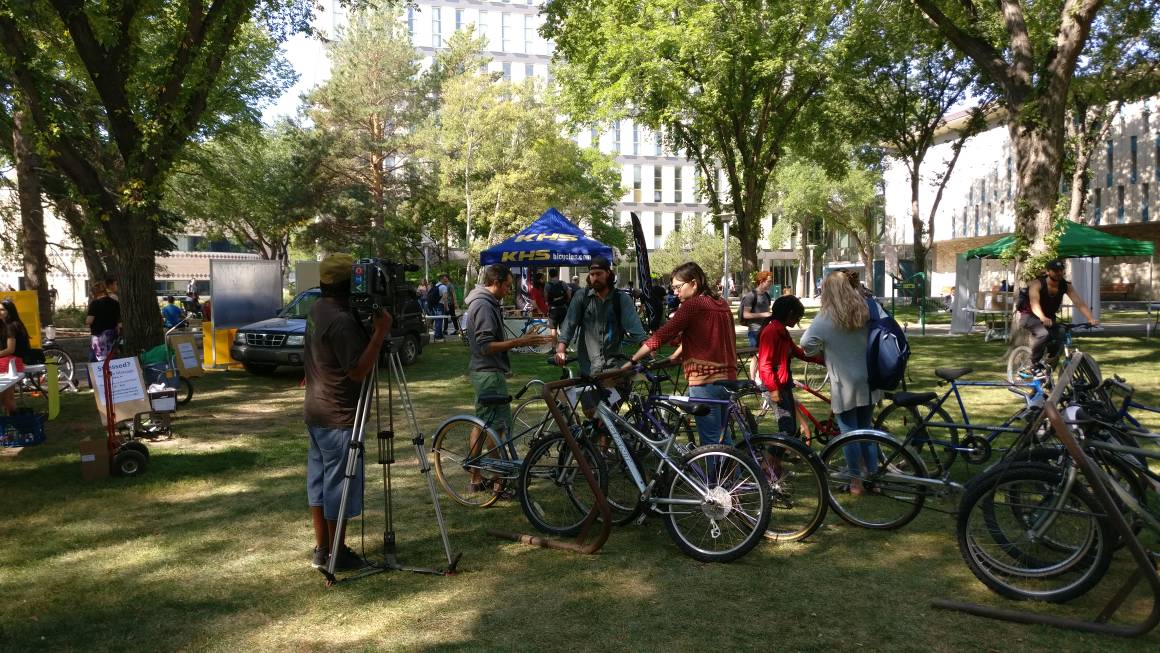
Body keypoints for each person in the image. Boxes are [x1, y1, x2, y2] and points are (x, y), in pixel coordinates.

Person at [305, 254, 392, 572]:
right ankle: (336, 553)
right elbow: (356, 370)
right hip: (339, 416)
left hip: (316, 411)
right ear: (349, 284)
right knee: (337, 487)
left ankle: (322, 549)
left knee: (319, 484)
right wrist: (380, 332)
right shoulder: (341, 320)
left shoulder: (318, 309)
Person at [463, 264, 554, 496]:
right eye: (507, 286)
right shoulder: (483, 305)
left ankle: (476, 478)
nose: (507, 291)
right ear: (497, 282)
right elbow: (486, 346)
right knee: (497, 428)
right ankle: (498, 482)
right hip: (487, 373)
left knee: (482, 425)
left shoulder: (483, 302)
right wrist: (520, 342)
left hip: (486, 371)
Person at [626, 261, 736, 446]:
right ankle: (738, 475)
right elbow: (702, 336)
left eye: (678, 287)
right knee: (724, 440)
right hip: (728, 378)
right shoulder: (721, 303)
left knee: (710, 442)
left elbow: (662, 334)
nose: (675, 292)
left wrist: (633, 359)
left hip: (705, 380)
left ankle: (712, 476)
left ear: (693, 283)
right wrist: (676, 355)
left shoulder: (693, 306)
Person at [800, 271, 877, 495]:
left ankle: (855, 481)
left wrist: (823, 349)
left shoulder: (827, 317)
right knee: (866, 430)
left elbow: (807, 343)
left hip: (844, 382)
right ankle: (874, 477)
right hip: (869, 378)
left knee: (848, 433)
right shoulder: (865, 309)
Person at [554, 256, 646, 390]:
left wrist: (646, 345)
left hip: (613, 367)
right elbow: (569, 323)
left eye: (599, 274)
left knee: (611, 408)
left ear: (608, 274)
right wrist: (561, 349)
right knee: (590, 410)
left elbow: (634, 325)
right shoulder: (581, 296)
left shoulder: (621, 299)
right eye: (592, 274)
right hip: (588, 366)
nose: (595, 277)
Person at [1017, 259, 1099, 372]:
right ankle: (1033, 364)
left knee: (1060, 338)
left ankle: (1047, 370)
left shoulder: (1066, 286)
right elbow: (1034, 303)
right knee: (1043, 334)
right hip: (1030, 316)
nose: (1059, 273)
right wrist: (1042, 317)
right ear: (1048, 272)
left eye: (1061, 270)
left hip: (1048, 318)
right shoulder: (1037, 284)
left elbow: (1079, 303)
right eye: (1055, 270)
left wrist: (1091, 318)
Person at [755, 295, 821, 437]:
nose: (798, 321)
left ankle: (775, 458)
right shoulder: (772, 331)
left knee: (790, 430)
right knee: (787, 430)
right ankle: (769, 459)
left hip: (783, 385)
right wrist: (773, 390)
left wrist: (824, 360)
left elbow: (799, 353)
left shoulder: (781, 331)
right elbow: (765, 364)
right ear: (790, 313)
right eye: (798, 317)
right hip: (775, 386)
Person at [0, 299, 33, 415]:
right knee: (6, 399)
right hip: (11, 363)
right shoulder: (8, 325)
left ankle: (19, 422)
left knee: (6, 399)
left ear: (10, 311)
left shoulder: (11, 326)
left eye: (2, 310)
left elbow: (10, 349)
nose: (0, 312)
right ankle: (14, 424)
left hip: (10, 364)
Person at [85, 280, 121, 362]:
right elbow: (119, 320)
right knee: (111, 358)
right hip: (112, 334)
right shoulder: (115, 303)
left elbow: (89, 321)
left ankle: (97, 374)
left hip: (98, 335)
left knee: (97, 360)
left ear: (95, 293)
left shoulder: (94, 304)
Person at [740, 271, 774, 349]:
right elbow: (746, 315)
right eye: (769, 281)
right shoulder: (751, 296)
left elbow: (768, 313)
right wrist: (763, 314)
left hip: (765, 331)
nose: (770, 283)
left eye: (771, 281)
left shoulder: (767, 296)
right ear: (761, 281)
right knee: (756, 355)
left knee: (764, 354)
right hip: (754, 331)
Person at [544, 268, 571, 336]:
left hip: (553, 310)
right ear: (557, 275)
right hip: (563, 309)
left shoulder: (547, 285)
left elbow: (546, 298)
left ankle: (554, 346)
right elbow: (569, 295)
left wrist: (550, 302)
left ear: (549, 275)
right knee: (563, 329)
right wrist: (565, 301)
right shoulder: (563, 283)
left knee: (553, 330)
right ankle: (563, 345)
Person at [432, 274, 451, 341]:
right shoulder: (443, 287)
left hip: (435, 305)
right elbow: (445, 298)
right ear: (442, 279)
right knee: (439, 321)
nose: (447, 279)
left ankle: (438, 334)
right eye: (446, 278)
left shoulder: (436, 285)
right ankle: (438, 336)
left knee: (437, 320)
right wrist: (447, 308)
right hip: (440, 305)